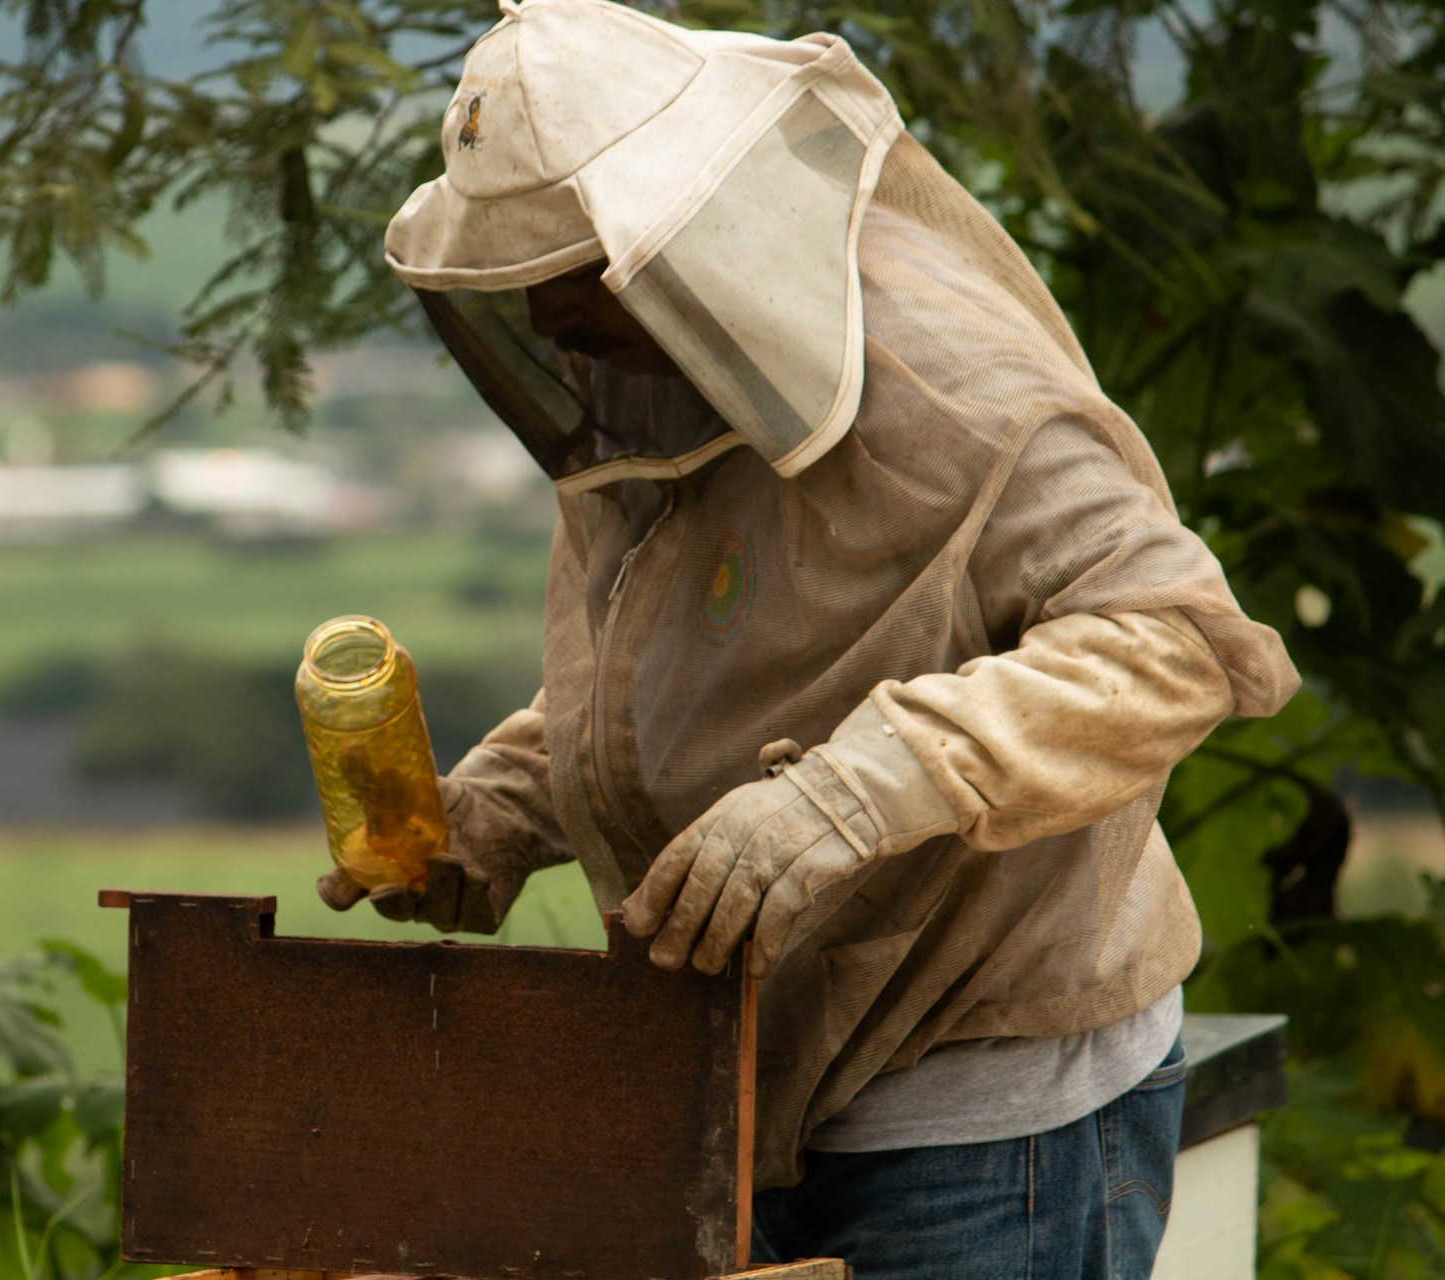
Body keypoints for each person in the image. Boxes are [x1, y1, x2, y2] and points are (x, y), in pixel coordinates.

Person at [316, 1, 1301, 1275]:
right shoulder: (656, 372)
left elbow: (1175, 639)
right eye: (522, 276)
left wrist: (852, 795)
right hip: (748, 1087)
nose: (549, 318)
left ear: (690, 237)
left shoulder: (948, 371)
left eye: (573, 267)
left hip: (987, 1114)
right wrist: (508, 801)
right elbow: (695, 651)